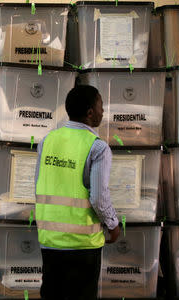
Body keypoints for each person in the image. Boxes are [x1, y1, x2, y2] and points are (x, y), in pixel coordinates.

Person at [34, 85, 120, 300]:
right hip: (82, 245)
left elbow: (38, 184)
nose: (103, 111)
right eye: (101, 106)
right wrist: (113, 225)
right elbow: (99, 198)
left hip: (50, 240)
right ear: (90, 112)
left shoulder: (47, 141)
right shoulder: (97, 147)